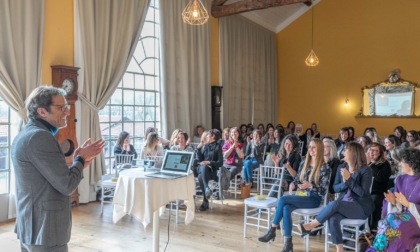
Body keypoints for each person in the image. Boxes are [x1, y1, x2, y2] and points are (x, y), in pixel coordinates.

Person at [11, 86, 105, 252]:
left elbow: (44, 177)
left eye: (66, 107)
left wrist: (79, 163)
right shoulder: (40, 137)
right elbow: (67, 185)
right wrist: (81, 158)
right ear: (42, 111)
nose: (67, 112)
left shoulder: (25, 133)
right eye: (61, 107)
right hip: (45, 230)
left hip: (31, 227)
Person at [258, 139, 331, 252]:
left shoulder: (325, 167)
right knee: (286, 208)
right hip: (302, 195)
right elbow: (297, 180)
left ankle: (272, 231)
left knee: (282, 199)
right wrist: (293, 184)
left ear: (320, 149)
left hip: (314, 198)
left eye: (314, 147)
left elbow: (323, 190)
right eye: (310, 147)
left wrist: (310, 186)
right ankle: (288, 244)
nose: (310, 149)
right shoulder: (304, 163)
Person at [300, 142, 374, 252]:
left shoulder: (366, 170)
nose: (342, 152)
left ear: (354, 153)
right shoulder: (342, 167)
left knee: (335, 203)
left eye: (345, 150)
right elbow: (334, 188)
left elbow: (363, 193)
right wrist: (346, 182)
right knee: (333, 218)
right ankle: (340, 249)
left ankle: (311, 225)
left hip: (360, 207)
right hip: (344, 204)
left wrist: (349, 179)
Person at [369, 148, 420, 251]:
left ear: (411, 163)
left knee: (394, 224)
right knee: (392, 220)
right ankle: (377, 249)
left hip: (417, 221)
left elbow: (408, 206)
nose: (399, 164)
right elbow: (397, 206)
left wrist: (409, 204)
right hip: (399, 217)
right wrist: (393, 202)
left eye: (402, 161)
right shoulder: (400, 179)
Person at [196, 129, 223, 211]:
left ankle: (205, 201)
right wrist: (198, 149)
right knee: (202, 167)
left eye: (208, 135)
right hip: (202, 168)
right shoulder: (206, 146)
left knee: (200, 177)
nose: (206, 137)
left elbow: (220, 163)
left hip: (211, 172)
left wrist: (209, 162)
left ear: (213, 137)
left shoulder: (218, 147)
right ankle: (207, 188)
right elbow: (200, 159)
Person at [368, 143, 392, 231]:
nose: (372, 152)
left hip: (378, 192)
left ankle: (373, 228)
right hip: (365, 191)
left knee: (374, 200)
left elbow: (380, 178)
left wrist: (372, 164)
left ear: (380, 153)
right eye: (371, 150)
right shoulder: (365, 163)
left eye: (375, 151)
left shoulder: (385, 164)